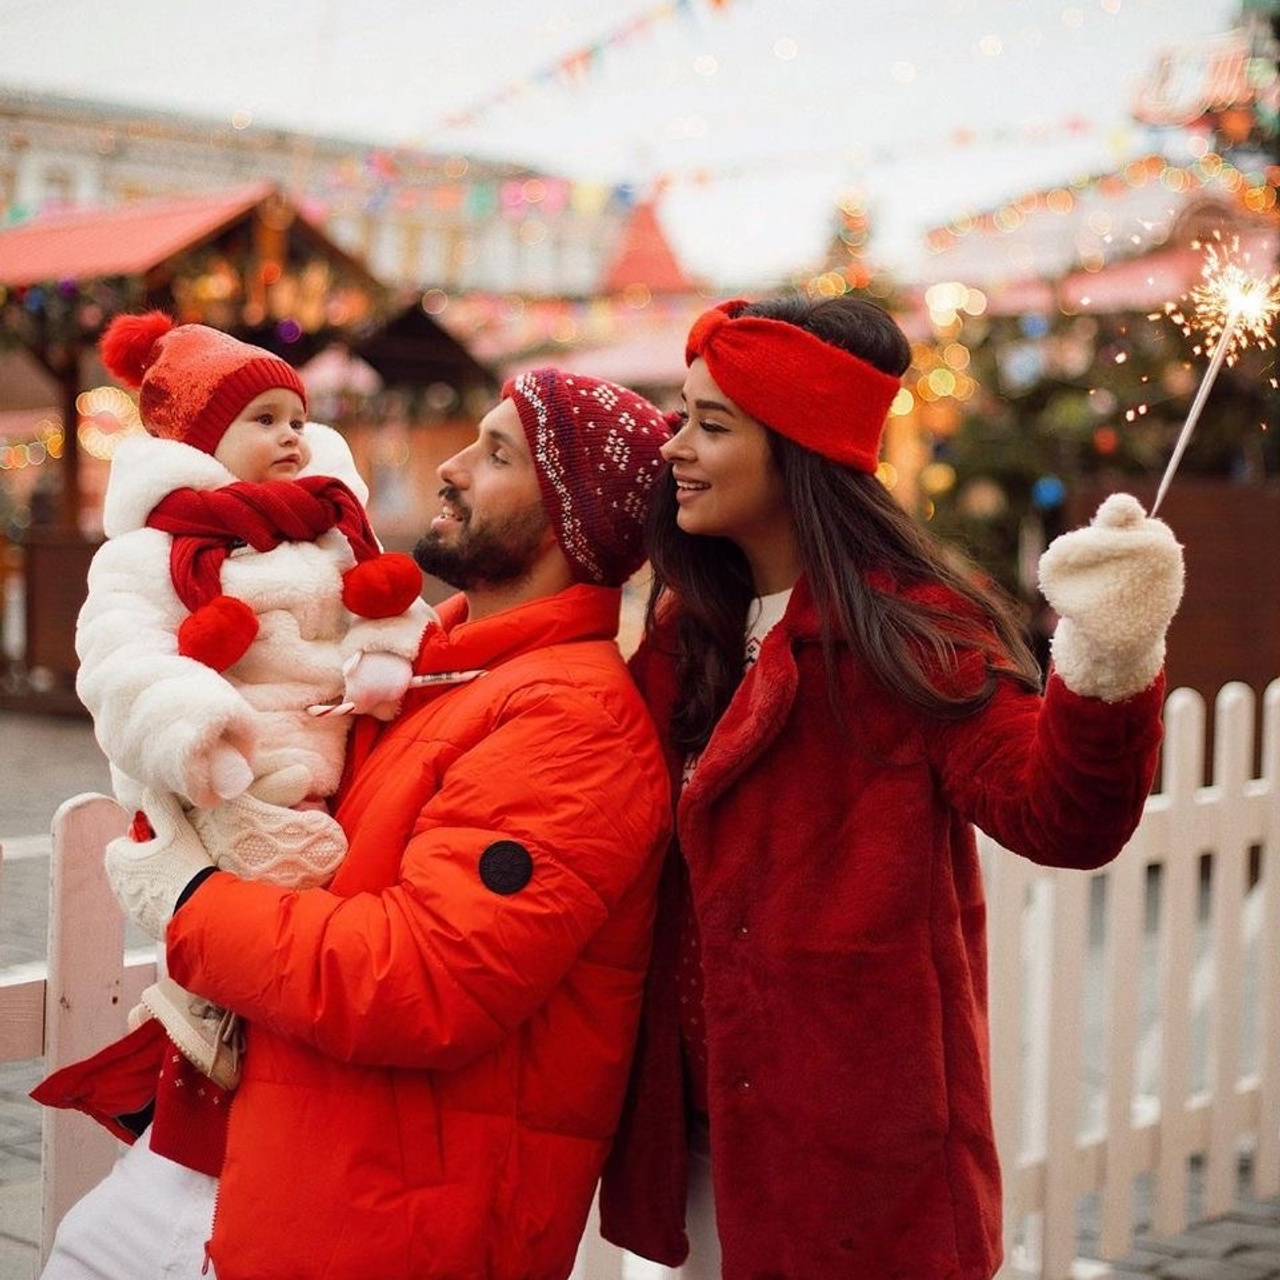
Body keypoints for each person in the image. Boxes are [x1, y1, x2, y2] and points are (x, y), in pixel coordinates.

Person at [598, 294, 1185, 1280]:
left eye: (712, 425)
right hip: (700, 1138)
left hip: (854, 1167)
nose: (674, 448)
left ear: (797, 448)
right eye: (680, 417)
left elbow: (1060, 815)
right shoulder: (685, 627)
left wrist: (1108, 653)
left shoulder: (906, 629)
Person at [42, 367, 674, 1280]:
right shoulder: (429, 669)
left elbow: (420, 981)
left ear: (567, 521)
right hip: (260, 1156)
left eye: (497, 455)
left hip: (372, 1215)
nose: (451, 467)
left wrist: (192, 901)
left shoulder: (572, 724)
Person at [66, 312, 432, 1113]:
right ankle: (198, 1032)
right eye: (263, 420)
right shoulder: (150, 552)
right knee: (251, 921)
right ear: (201, 442)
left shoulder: (331, 526)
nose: (292, 435)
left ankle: (265, 1060)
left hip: (336, 756)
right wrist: (198, 731)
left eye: (297, 419)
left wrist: (382, 651)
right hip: (226, 770)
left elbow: (388, 599)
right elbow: (120, 657)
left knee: (319, 932)